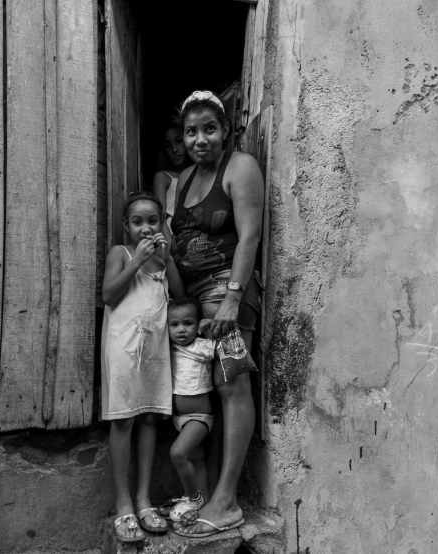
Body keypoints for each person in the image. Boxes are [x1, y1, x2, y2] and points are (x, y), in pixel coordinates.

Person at [170, 90, 264, 538]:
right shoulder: (183, 179)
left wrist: (231, 297)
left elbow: (249, 237)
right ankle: (211, 493)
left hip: (227, 299)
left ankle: (226, 502)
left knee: (232, 387)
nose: (200, 139)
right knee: (209, 395)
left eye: (209, 128)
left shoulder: (240, 167)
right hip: (193, 305)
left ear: (225, 130)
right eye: (191, 132)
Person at [101, 191, 185, 543]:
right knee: (124, 419)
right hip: (123, 348)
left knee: (150, 416)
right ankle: (123, 504)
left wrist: (168, 259)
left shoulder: (162, 262)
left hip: (153, 350)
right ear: (126, 227)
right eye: (137, 222)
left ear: (162, 224)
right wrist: (136, 260)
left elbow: (179, 298)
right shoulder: (121, 254)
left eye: (153, 220)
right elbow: (109, 295)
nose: (146, 228)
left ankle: (144, 498)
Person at [163, 297, 217, 522]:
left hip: (199, 418)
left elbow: (220, 346)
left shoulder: (203, 346)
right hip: (179, 419)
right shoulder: (168, 349)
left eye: (188, 323)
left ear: (197, 325)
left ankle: (192, 497)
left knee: (178, 453)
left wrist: (210, 329)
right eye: (174, 325)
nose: (181, 329)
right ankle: (202, 503)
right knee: (196, 459)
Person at [153, 125, 190, 238]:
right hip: (171, 236)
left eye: (179, 141)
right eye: (168, 146)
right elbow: (160, 217)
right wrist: (170, 247)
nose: (174, 150)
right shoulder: (163, 177)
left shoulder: (197, 174)